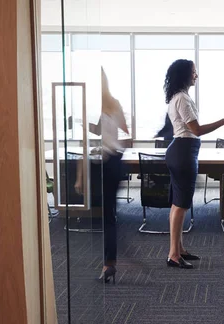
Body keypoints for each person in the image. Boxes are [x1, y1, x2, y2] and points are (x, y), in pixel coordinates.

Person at [164, 59, 224, 269]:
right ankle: (174, 255)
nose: (196, 75)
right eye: (194, 72)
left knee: (178, 203)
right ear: (185, 74)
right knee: (181, 204)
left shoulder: (178, 97)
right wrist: (222, 121)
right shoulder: (182, 99)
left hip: (182, 150)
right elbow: (197, 130)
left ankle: (179, 249)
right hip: (184, 151)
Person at [76, 67, 129, 282]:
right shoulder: (114, 103)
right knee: (109, 215)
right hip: (114, 161)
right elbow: (126, 133)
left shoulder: (91, 108)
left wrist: (80, 176)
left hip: (103, 163)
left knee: (106, 216)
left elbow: (86, 142)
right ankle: (110, 261)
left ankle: (109, 263)